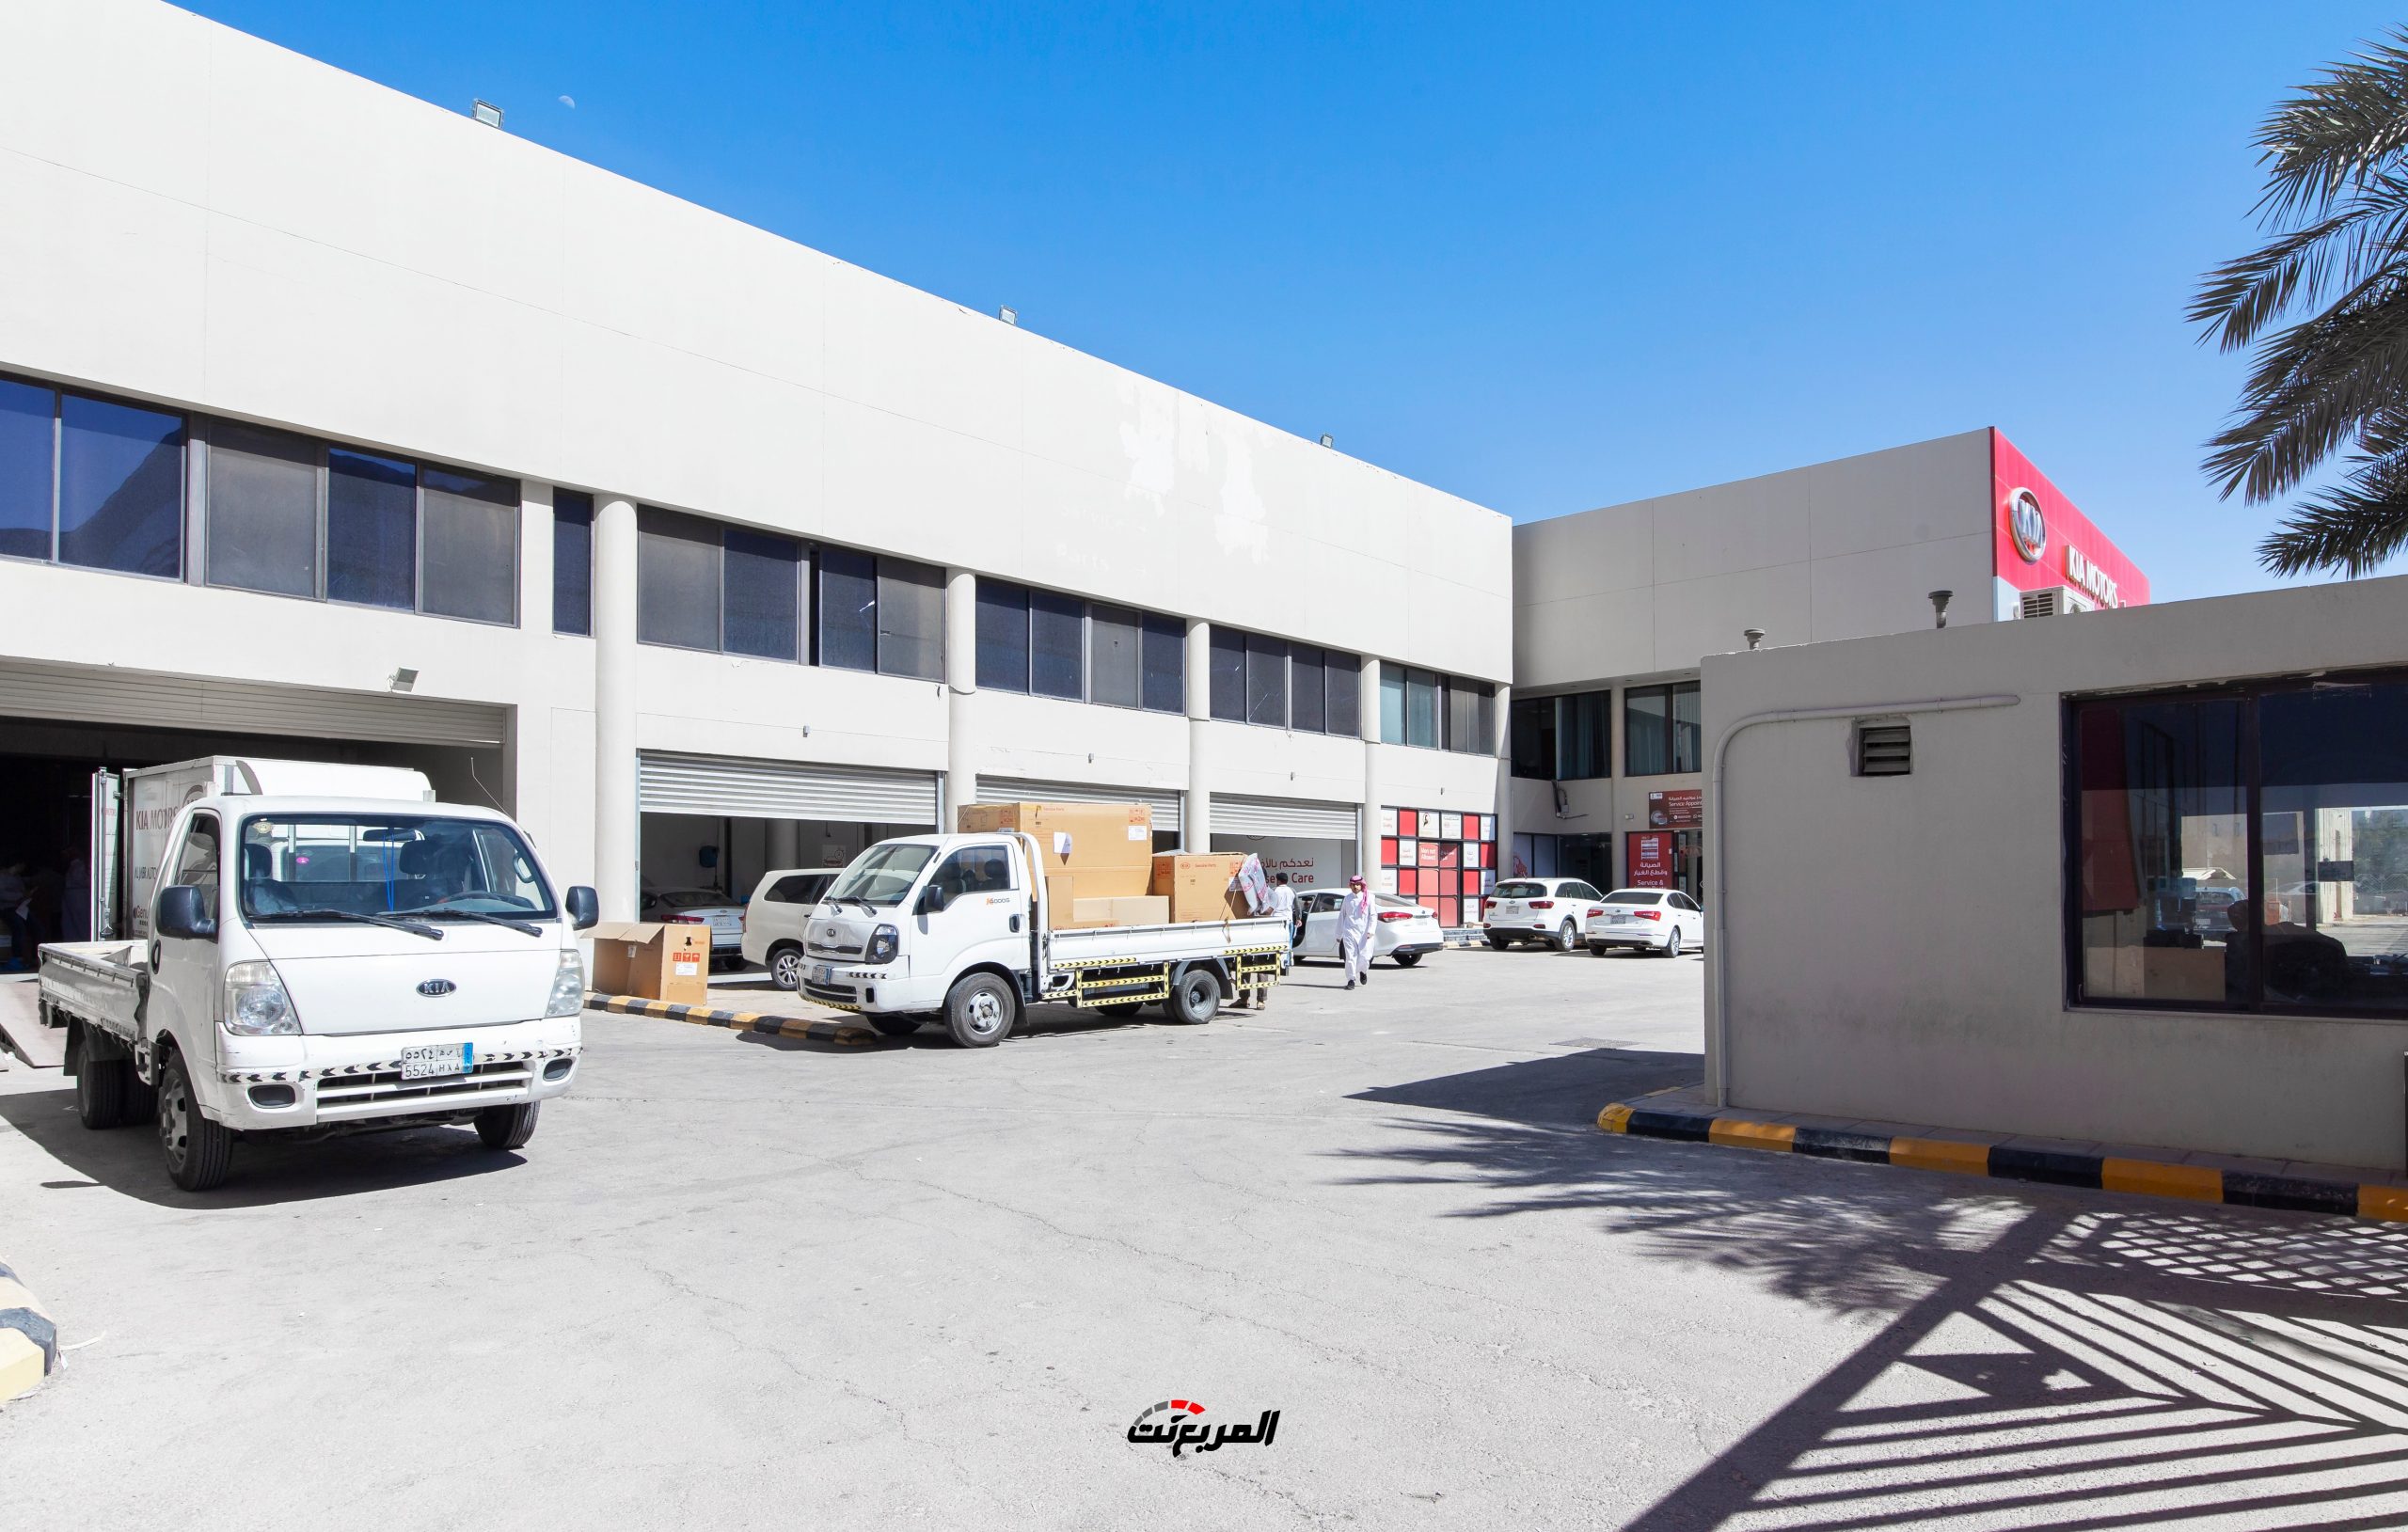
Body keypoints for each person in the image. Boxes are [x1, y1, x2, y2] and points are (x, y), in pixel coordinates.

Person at [1336, 874, 1375, 990]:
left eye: (1358, 884)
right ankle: (1351, 980)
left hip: (1365, 933)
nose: (1355, 887)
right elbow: (1342, 916)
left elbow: (1373, 915)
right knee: (1350, 957)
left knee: (1365, 957)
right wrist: (1339, 934)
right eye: (1353, 885)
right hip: (1349, 931)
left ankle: (1363, 971)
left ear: (1361, 885)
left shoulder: (1369, 898)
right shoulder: (1347, 899)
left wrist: (1371, 930)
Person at [1270, 874, 1296, 950]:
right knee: (1288, 942)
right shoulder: (1292, 891)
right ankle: (1288, 957)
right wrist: (1299, 918)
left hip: (1276, 920)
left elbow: (1269, 906)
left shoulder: (1274, 890)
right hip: (1288, 920)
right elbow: (1297, 906)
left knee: (1276, 943)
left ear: (1278, 881)